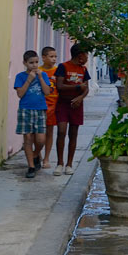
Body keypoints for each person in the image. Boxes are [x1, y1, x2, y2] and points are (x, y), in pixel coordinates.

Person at [53, 44, 91, 176]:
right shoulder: (63, 67)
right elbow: (59, 86)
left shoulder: (84, 69)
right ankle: (59, 163)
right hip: (63, 103)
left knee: (73, 134)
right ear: (80, 55)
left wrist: (80, 97)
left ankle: (69, 164)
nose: (87, 57)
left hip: (77, 105)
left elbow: (86, 88)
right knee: (61, 131)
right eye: (86, 54)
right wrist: (76, 88)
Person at [14, 50, 51, 178]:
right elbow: (20, 94)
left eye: (36, 62)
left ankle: (36, 154)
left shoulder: (44, 75)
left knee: (41, 139)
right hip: (25, 109)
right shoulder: (20, 76)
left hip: (40, 109)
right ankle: (31, 166)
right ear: (25, 63)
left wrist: (40, 77)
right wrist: (29, 80)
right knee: (28, 138)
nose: (34, 65)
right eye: (31, 63)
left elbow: (47, 92)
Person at [39, 46, 58, 169]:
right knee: (39, 133)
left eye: (55, 57)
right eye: (51, 57)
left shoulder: (57, 71)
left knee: (50, 132)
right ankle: (38, 155)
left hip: (54, 104)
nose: (54, 59)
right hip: (40, 104)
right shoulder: (38, 70)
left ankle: (46, 158)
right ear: (44, 57)